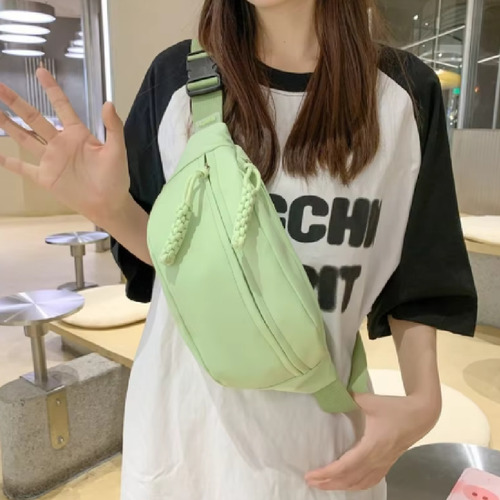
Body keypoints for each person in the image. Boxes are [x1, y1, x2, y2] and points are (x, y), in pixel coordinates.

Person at [0, 0, 477, 498]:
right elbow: (176, 264)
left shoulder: (404, 95)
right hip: (182, 443)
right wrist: (112, 210)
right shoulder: (176, 78)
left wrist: (424, 403)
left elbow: (420, 274)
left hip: (321, 451)